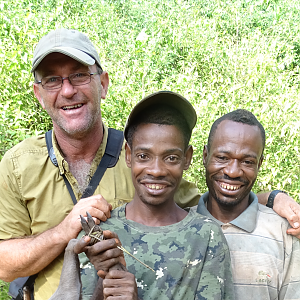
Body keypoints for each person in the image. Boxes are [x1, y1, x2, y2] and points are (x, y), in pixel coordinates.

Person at [0, 28, 298, 300]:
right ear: (38, 94)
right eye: (52, 79)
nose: (67, 90)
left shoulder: (144, 160)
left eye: (79, 75)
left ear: (102, 84)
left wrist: (272, 199)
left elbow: (213, 199)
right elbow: (3, 265)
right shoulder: (18, 165)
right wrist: (67, 229)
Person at [78, 91, 235, 300]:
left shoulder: (206, 237)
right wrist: (104, 284)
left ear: (187, 158)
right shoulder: (100, 235)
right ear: (128, 155)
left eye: (171, 158)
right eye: (143, 156)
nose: (157, 170)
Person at [196, 109, 300, 299]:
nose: (233, 172)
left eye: (247, 161)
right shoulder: (177, 224)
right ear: (205, 156)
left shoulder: (285, 236)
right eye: (222, 158)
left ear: (259, 164)